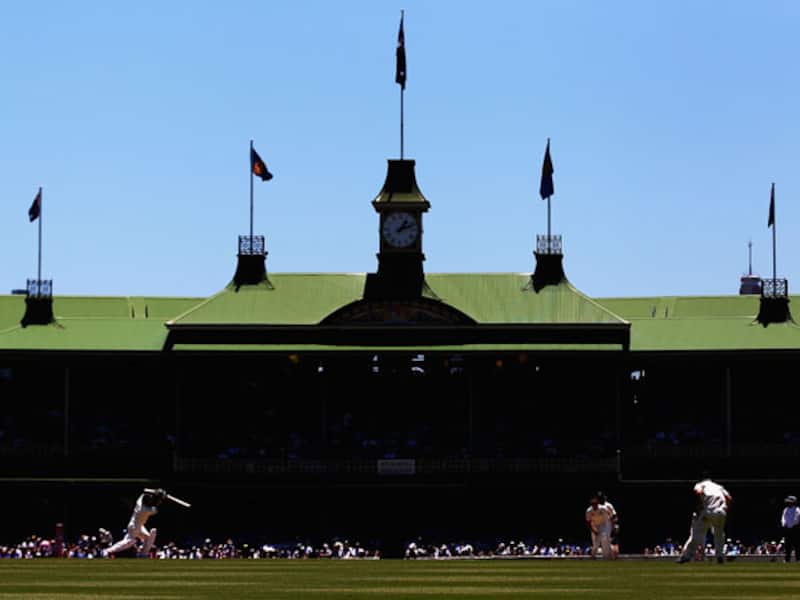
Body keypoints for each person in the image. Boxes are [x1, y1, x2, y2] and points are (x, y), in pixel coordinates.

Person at [677, 474, 732, 564]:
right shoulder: (718, 487)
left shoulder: (700, 485)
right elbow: (729, 498)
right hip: (721, 512)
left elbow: (698, 493)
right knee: (719, 535)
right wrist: (725, 509)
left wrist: (700, 507)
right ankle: (719, 556)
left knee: (696, 535)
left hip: (707, 512)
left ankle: (686, 556)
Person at [103, 488, 167, 557]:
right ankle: (108, 551)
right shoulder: (147, 510)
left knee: (148, 538)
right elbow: (157, 505)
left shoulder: (140, 500)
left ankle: (143, 554)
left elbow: (145, 490)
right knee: (129, 541)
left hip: (138, 525)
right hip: (135, 526)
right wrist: (160, 496)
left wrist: (157, 493)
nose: (150, 500)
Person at [585, 493, 614, 559]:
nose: (594, 505)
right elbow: (588, 522)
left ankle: (606, 557)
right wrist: (593, 530)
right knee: (595, 543)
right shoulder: (589, 511)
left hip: (604, 525)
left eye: (595, 503)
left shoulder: (603, 508)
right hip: (594, 525)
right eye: (593, 504)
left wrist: (612, 526)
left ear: (597, 503)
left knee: (605, 540)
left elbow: (611, 516)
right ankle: (593, 557)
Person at [597, 491, 619, 559]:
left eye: (602, 497)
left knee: (606, 539)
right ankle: (608, 556)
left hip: (608, 524)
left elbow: (614, 515)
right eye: (599, 497)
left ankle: (608, 556)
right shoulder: (596, 506)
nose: (601, 498)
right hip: (599, 524)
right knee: (603, 541)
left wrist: (615, 524)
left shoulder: (608, 505)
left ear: (605, 497)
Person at [781, 495, 800, 562]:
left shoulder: (797, 509)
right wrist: (784, 524)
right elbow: (783, 518)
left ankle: (798, 559)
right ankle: (787, 559)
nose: (788, 503)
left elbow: (796, 519)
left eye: (790, 502)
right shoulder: (785, 509)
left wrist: (791, 526)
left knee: (796, 545)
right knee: (787, 545)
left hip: (795, 529)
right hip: (787, 529)